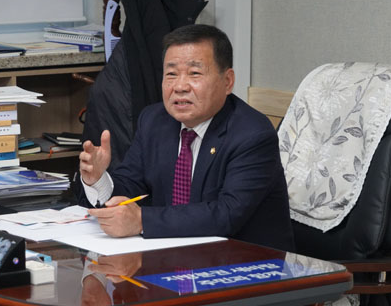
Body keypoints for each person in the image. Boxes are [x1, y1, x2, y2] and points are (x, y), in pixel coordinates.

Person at [78, 24, 294, 251]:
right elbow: (130, 188)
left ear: (227, 81)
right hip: (169, 256)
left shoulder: (252, 133)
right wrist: (98, 179)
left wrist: (141, 220)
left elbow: (227, 214)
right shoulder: (154, 121)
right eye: (171, 74)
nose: (180, 86)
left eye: (194, 73)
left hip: (245, 261)